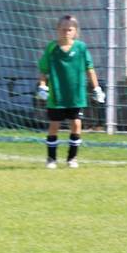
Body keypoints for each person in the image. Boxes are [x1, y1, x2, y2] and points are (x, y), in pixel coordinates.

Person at [37, 14, 104, 169]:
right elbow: (44, 69)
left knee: (76, 124)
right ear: (57, 30)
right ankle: (51, 159)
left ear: (75, 31)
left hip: (75, 95)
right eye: (63, 29)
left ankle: (72, 158)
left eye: (69, 29)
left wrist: (97, 88)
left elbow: (90, 68)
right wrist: (42, 85)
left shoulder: (81, 47)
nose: (66, 32)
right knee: (54, 125)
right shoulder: (52, 47)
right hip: (57, 95)